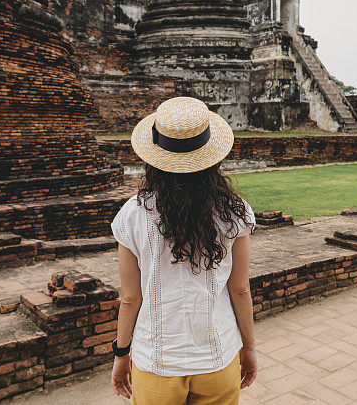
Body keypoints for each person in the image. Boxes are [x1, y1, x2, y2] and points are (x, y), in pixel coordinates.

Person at [110, 97, 258, 404]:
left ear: (153, 158)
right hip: (217, 355)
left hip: (157, 360)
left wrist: (121, 354)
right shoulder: (233, 212)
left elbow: (129, 298)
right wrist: (249, 347)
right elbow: (240, 290)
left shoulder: (133, 214)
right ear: (212, 157)